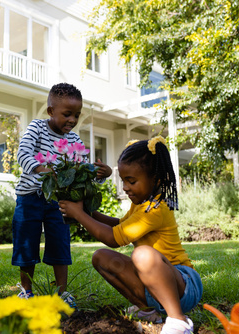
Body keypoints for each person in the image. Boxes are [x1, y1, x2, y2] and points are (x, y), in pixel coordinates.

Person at [58, 136, 202, 334]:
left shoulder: (156, 208)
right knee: (101, 257)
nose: (125, 187)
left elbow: (114, 238)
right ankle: (149, 311)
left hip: (183, 286)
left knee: (142, 254)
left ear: (156, 179)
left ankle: (178, 320)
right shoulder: (140, 204)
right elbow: (121, 226)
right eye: (123, 180)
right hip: (153, 285)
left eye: (131, 181)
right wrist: (89, 212)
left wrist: (79, 214)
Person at [12, 82, 112, 307]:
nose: (73, 120)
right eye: (67, 114)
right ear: (50, 111)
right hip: (30, 197)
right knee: (26, 242)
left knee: (60, 242)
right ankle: (26, 291)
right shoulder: (37, 128)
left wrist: (102, 174)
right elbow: (23, 154)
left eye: (76, 115)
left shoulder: (74, 140)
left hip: (60, 201)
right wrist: (44, 170)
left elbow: (81, 173)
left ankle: (61, 293)